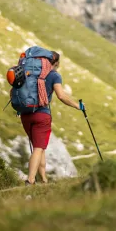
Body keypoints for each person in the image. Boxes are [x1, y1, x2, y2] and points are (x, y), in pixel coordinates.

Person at [19, 51, 84, 185]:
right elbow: (61, 96)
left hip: (25, 114)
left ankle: (43, 179)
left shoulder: (31, 72)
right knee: (38, 147)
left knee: (39, 147)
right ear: (56, 63)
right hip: (41, 114)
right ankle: (30, 180)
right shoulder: (54, 75)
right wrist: (77, 106)